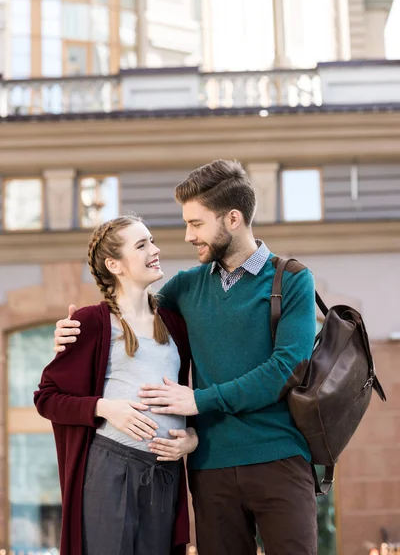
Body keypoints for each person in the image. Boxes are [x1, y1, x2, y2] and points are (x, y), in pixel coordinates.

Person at [54, 160, 318, 555]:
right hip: (208, 468)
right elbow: (129, 314)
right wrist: (70, 335)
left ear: (232, 219)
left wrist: (200, 401)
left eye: (196, 224)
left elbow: (287, 367)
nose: (187, 236)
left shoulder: (292, 278)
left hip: (278, 457)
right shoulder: (185, 287)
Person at [35, 214, 198, 555]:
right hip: (111, 468)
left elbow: (186, 398)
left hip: (165, 473)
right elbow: (47, 398)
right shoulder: (90, 322)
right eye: (141, 245)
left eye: (151, 240)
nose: (155, 250)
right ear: (115, 264)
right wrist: (104, 407)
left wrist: (192, 438)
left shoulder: (174, 324)